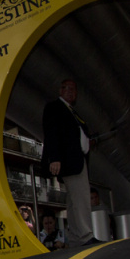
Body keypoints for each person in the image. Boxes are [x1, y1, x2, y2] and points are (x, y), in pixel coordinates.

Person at [41, 79, 95, 247]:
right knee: (81, 197)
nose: (71, 92)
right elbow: (51, 133)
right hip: (69, 161)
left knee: (73, 200)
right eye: (68, 88)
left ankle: (76, 237)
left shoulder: (73, 112)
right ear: (61, 90)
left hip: (77, 159)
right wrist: (54, 158)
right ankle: (86, 235)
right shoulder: (54, 107)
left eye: (74, 89)